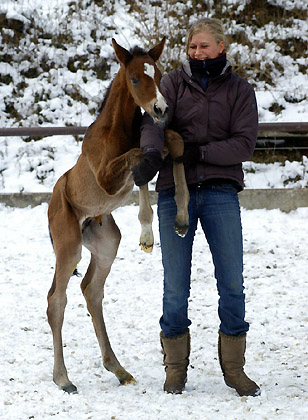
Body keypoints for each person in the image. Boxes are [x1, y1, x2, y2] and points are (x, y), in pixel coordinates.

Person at [132, 18, 260, 397]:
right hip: (175, 191)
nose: (197, 53)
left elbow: (244, 144)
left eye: (204, 47)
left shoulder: (240, 90)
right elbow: (154, 120)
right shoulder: (171, 83)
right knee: (175, 287)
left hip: (221, 192)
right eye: (192, 47)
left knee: (232, 283)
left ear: (222, 47)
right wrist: (153, 153)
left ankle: (234, 369)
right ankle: (175, 369)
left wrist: (198, 152)